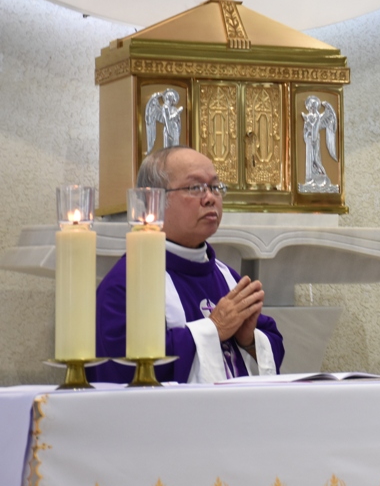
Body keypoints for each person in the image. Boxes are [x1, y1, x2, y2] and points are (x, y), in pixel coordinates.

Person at [92, 146, 285, 383]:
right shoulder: (125, 285)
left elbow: (273, 341)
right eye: (195, 188)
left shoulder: (228, 278)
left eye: (215, 187)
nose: (210, 198)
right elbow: (120, 369)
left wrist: (249, 340)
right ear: (153, 201)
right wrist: (213, 329)